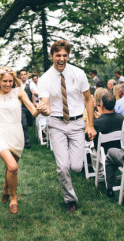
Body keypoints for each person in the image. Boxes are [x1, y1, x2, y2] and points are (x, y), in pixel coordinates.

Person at [38, 40, 96, 213]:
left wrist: (90, 125)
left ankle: (69, 179)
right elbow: (46, 104)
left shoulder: (78, 74)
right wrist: (45, 110)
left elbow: (88, 99)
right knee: (62, 166)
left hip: (78, 123)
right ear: (51, 56)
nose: (62, 59)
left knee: (76, 166)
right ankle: (70, 199)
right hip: (56, 124)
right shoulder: (44, 79)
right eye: (58, 55)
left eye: (64, 55)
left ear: (68, 56)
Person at [0, 66, 48, 214]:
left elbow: (33, 111)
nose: (8, 84)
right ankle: (13, 197)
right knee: (12, 167)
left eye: (10, 81)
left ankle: (6, 186)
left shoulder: (18, 92)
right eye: (5, 81)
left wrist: (40, 108)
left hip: (16, 134)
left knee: (9, 167)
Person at [19, 69, 33, 149]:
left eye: (25, 74)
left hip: (30, 106)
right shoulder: (18, 85)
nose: (23, 76)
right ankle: (27, 142)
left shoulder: (31, 84)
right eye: (22, 74)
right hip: (21, 107)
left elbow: (35, 94)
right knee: (24, 124)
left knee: (30, 123)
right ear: (20, 76)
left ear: (26, 75)